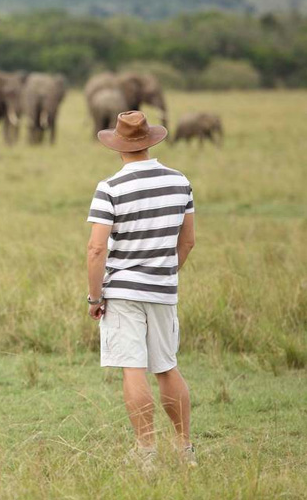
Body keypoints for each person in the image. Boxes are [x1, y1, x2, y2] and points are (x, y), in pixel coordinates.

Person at [86, 110, 197, 469]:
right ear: (150, 141)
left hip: (121, 290)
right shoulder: (180, 181)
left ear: (118, 146)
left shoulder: (110, 187)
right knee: (167, 366)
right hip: (163, 288)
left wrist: (95, 296)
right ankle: (184, 449)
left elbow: (96, 249)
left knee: (132, 368)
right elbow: (189, 241)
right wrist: (164, 272)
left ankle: (146, 451)